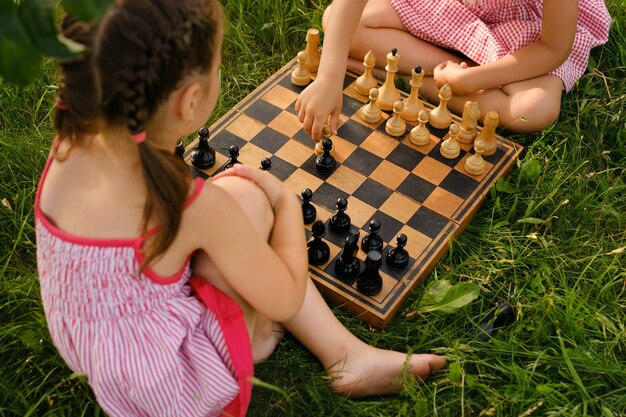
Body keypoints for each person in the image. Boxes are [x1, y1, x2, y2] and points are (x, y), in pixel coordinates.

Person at [35, 1, 447, 416]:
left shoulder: (67, 146)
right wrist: (283, 202)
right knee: (249, 196)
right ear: (189, 100)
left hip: (98, 355)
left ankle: (324, 348)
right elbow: (286, 297)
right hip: (180, 391)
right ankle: (304, 347)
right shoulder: (194, 206)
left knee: (231, 209)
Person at [296, 0, 611, 138]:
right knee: (340, 19)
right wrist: (329, 77)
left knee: (533, 109)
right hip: (453, 8)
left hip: (526, 24)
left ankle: (399, 74)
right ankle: (428, 73)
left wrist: (471, 80)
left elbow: (553, 48)